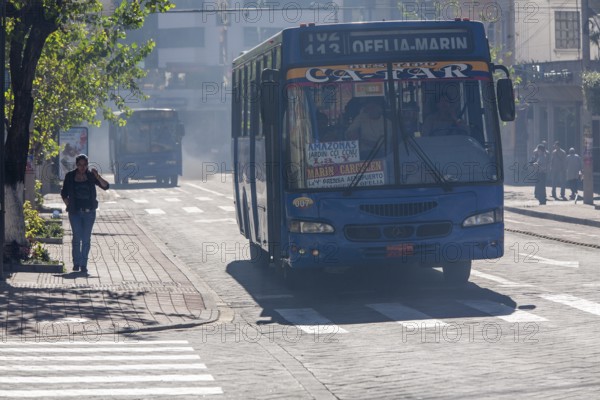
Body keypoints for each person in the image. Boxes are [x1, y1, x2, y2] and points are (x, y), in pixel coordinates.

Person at [60, 154, 110, 273]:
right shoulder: (70, 176)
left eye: (85, 165)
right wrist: (68, 205)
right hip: (75, 213)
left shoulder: (91, 176)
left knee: (86, 238)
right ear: (76, 165)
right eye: (80, 165)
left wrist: (98, 176)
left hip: (89, 213)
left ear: (87, 165)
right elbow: (64, 193)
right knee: (77, 237)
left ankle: (83, 264)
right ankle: (76, 263)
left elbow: (106, 186)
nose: (82, 167)